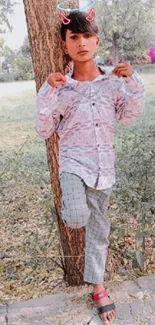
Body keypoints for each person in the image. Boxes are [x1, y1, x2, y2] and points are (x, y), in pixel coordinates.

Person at [36, 11, 145, 325]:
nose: (81, 43)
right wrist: (49, 90)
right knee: (76, 217)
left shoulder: (113, 81)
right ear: (64, 44)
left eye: (87, 37)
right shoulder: (62, 86)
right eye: (74, 37)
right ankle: (70, 208)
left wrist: (132, 83)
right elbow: (44, 130)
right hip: (72, 166)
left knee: (99, 233)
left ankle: (98, 287)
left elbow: (127, 118)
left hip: (104, 170)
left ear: (96, 40)